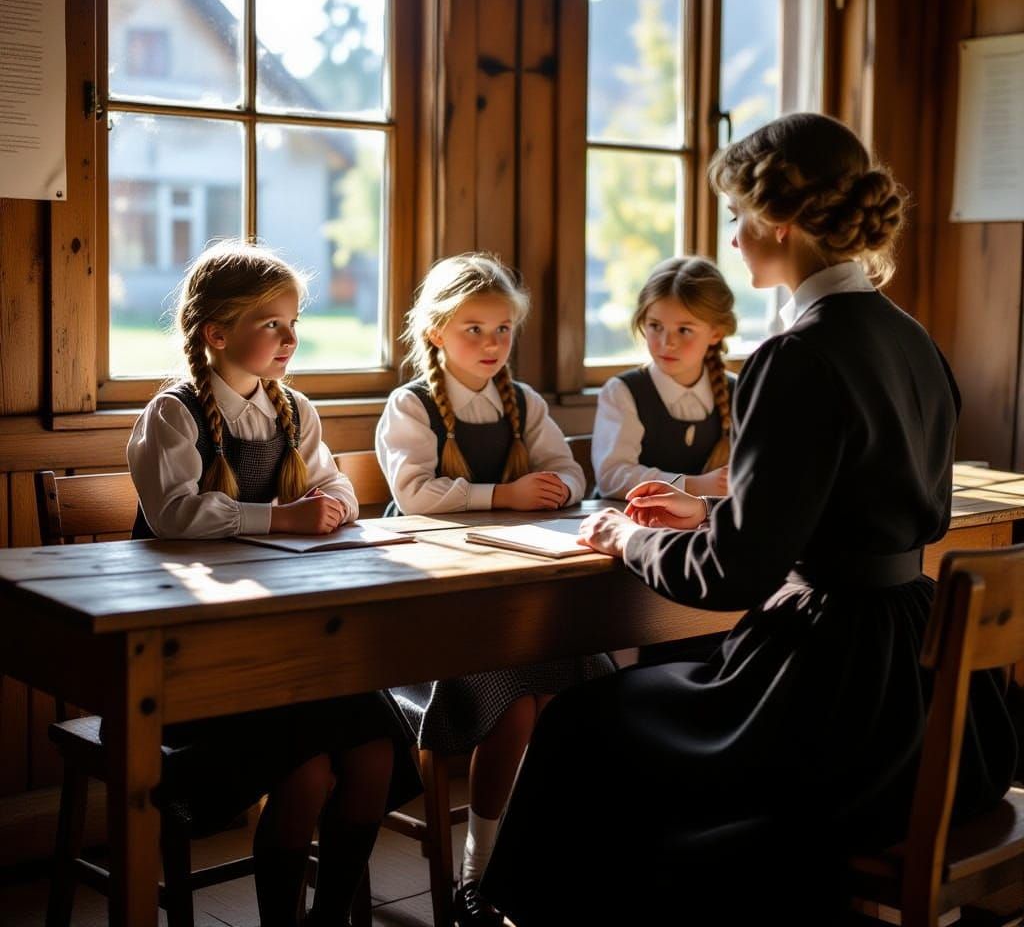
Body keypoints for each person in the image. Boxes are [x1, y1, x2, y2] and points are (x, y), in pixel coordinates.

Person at [481, 113, 1017, 925]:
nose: (731, 238)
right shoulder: (910, 339)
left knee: (584, 723)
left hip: (831, 694)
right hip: (918, 689)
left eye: (736, 215)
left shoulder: (797, 354)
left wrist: (631, 535)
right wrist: (714, 507)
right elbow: (901, 509)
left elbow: (733, 574)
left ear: (781, 219)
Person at [127, 240, 421, 927]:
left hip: (292, 643)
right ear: (217, 332)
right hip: (202, 654)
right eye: (273, 325)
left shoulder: (293, 411)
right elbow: (173, 514)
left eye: (294, 323)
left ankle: (332, 917)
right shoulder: (174, 414)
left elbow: (335, 483)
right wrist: (279, 515)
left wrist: (336, 505)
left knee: (376, 750)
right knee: (310, 771)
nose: (291, 338)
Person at [375, 252, 613, 926]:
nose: (490, 344)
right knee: (514, 702)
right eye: (473, 329)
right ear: (435, 332)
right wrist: (503, 493)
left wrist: (559, 487)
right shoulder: (411, 405)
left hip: (518, 600)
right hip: (435, 614)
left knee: (578, 691)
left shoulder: (524, 403)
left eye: (502, 330)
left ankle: (550, 859)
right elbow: (413, 495)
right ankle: (478, 873)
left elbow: (571, 474)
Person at [592, 255, 735, 502]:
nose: (667, 343)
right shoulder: (623, 392)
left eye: (684, 330)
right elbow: (612, 476)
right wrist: (691, 485)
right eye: (655, 326)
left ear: (716, 333)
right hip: (629, 526)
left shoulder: (741, 390)